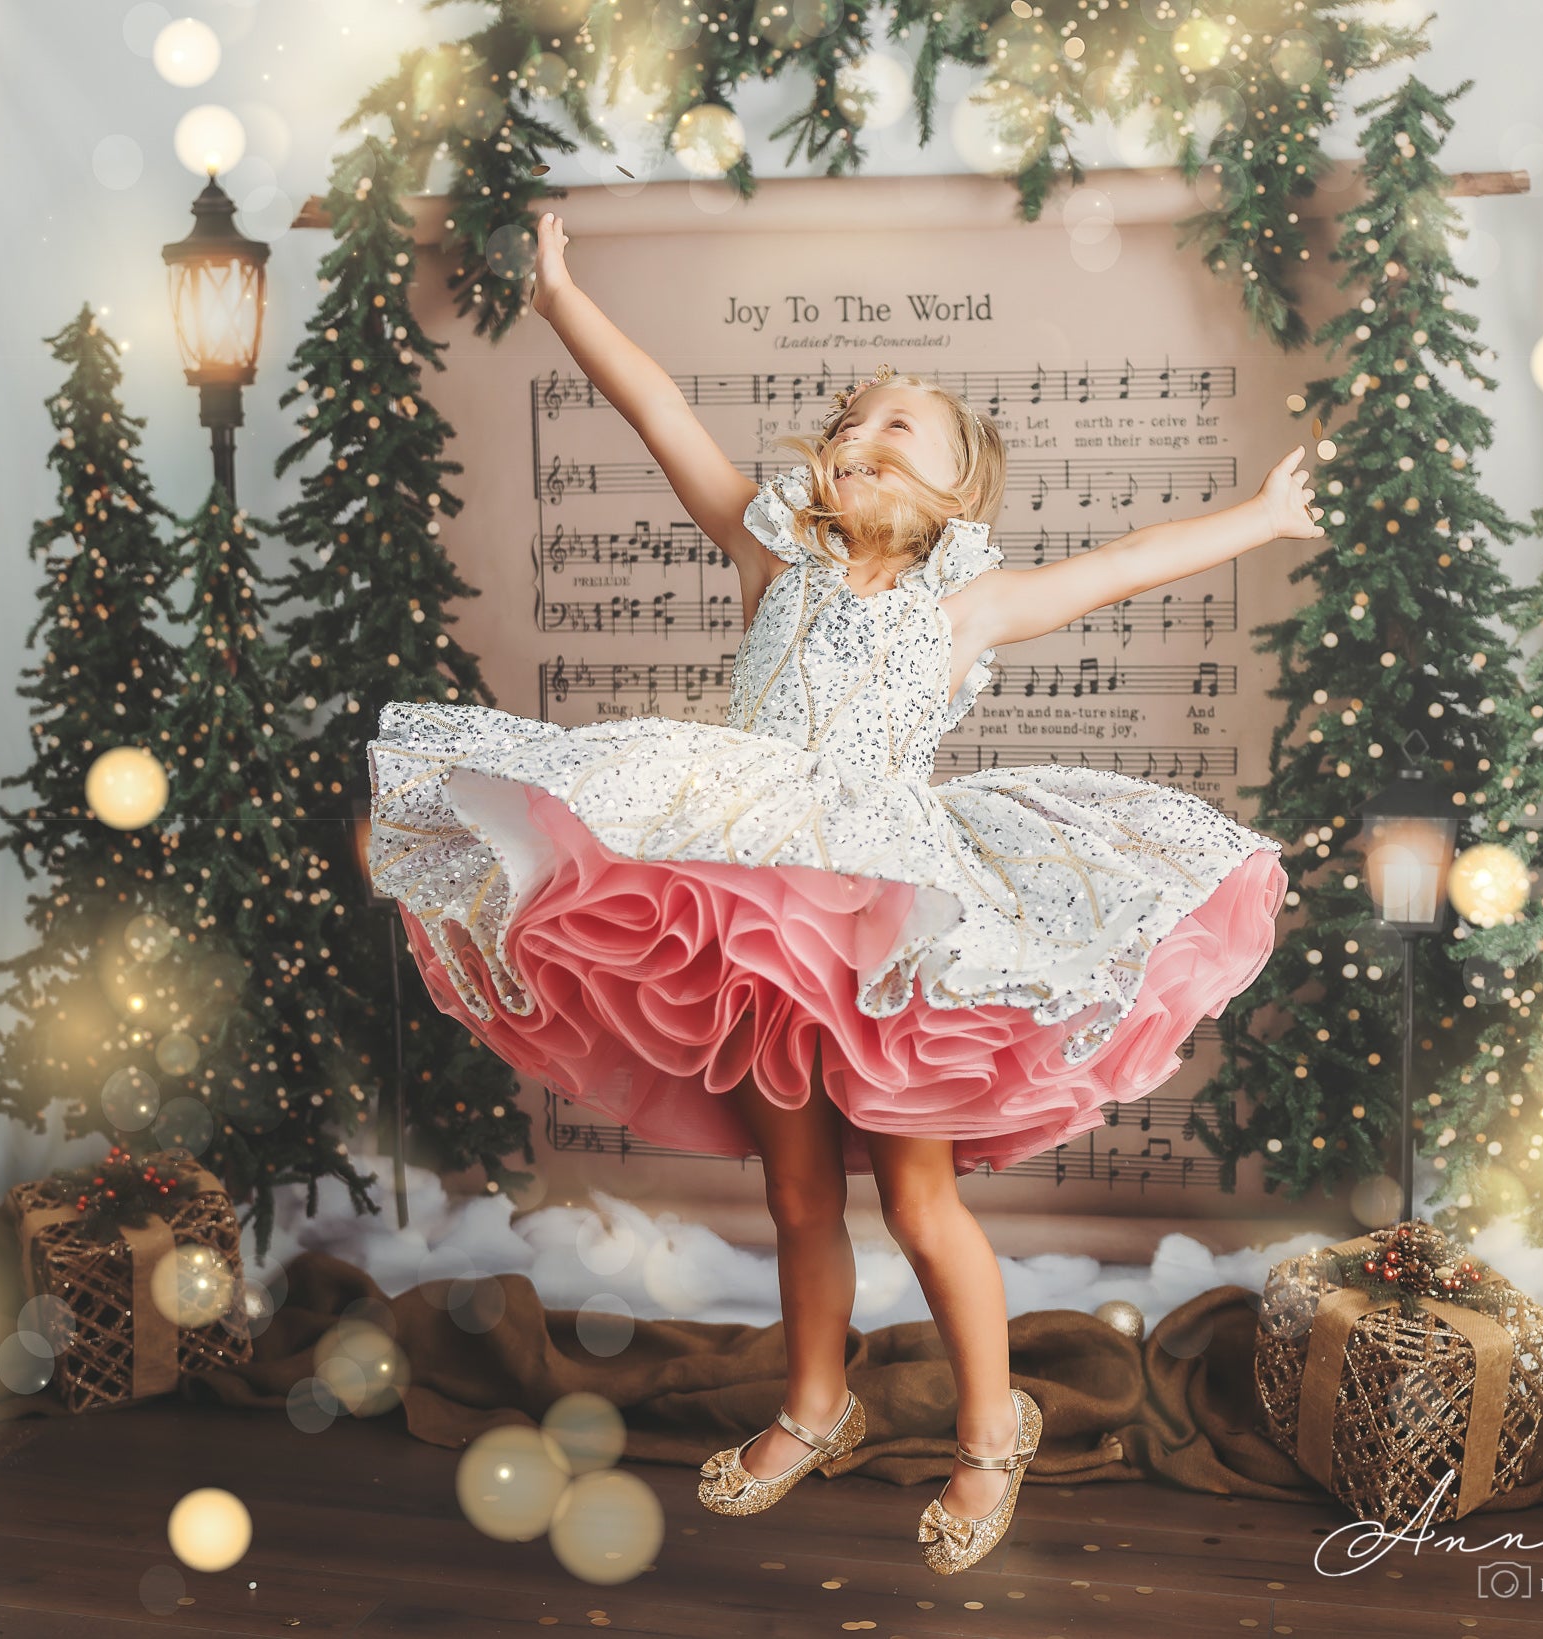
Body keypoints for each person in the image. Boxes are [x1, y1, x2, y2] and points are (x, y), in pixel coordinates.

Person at [363, 210, 1321, 1574]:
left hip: (884, 920)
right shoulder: (773, 559)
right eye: (858, 419)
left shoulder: (964, 607)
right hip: (753, 911)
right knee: (798, 1194)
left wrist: (1264, 517)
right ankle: (817, 1403)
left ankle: (995, 1425)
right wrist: (563, 293)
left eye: (905, 432)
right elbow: (660, 410)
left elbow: (1124, 566)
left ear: (957, 493)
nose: (870, 435)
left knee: (919, 1201)